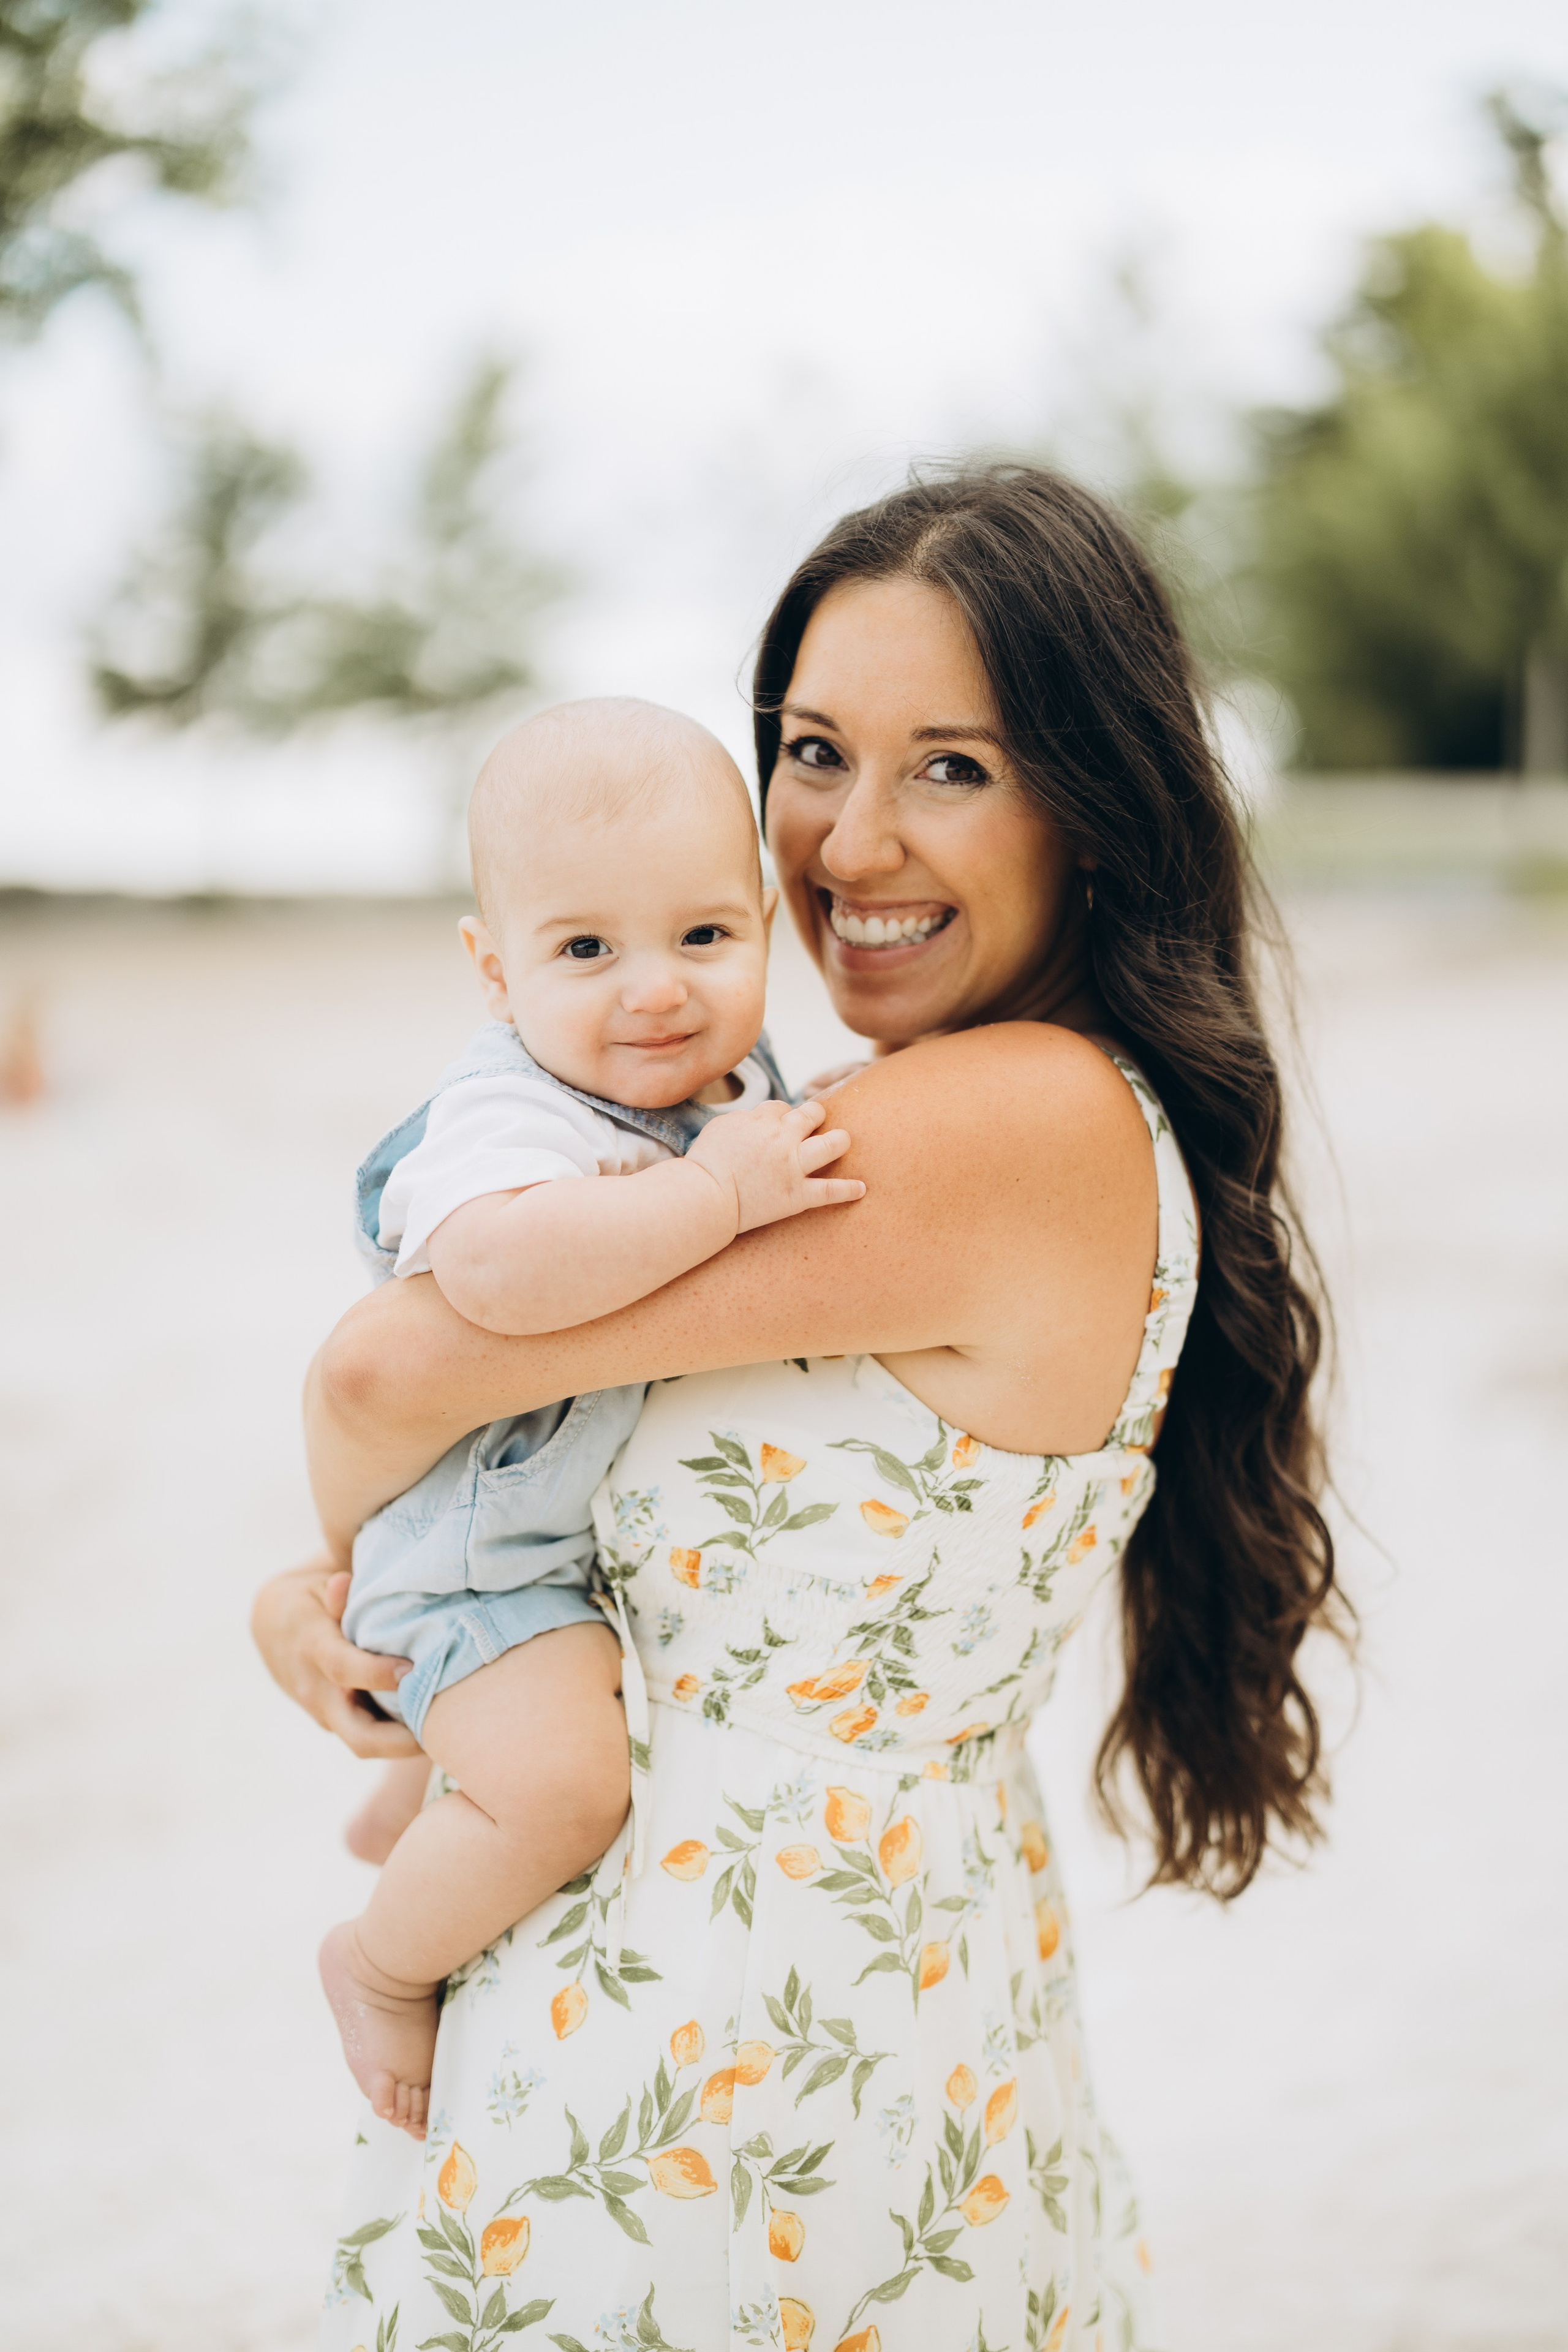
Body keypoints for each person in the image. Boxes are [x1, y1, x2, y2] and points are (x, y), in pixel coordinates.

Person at [255, 464, 1337, 2352]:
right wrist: (348, 1600)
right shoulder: (859, 1115)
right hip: (848, 2026)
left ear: (1094, 803)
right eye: (817, 752)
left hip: (732, 2070)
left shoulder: (992, 1124)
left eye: (952, 767)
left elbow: (376, 1371)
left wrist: (356, 1529)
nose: (848, 839)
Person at [319, 697, 863, 2136]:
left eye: (702, 935)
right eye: (584, 951)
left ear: (763, 923)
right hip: (480, 1558)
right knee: (567, 1793)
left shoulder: (720, 1079)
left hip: (570, 1537)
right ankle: (378, 1961)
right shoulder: (512, 1114)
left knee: (550, 1733)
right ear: (494, 972)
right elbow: (494, 1274)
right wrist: (713, 1196)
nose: (655, 991)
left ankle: (418, 1795)